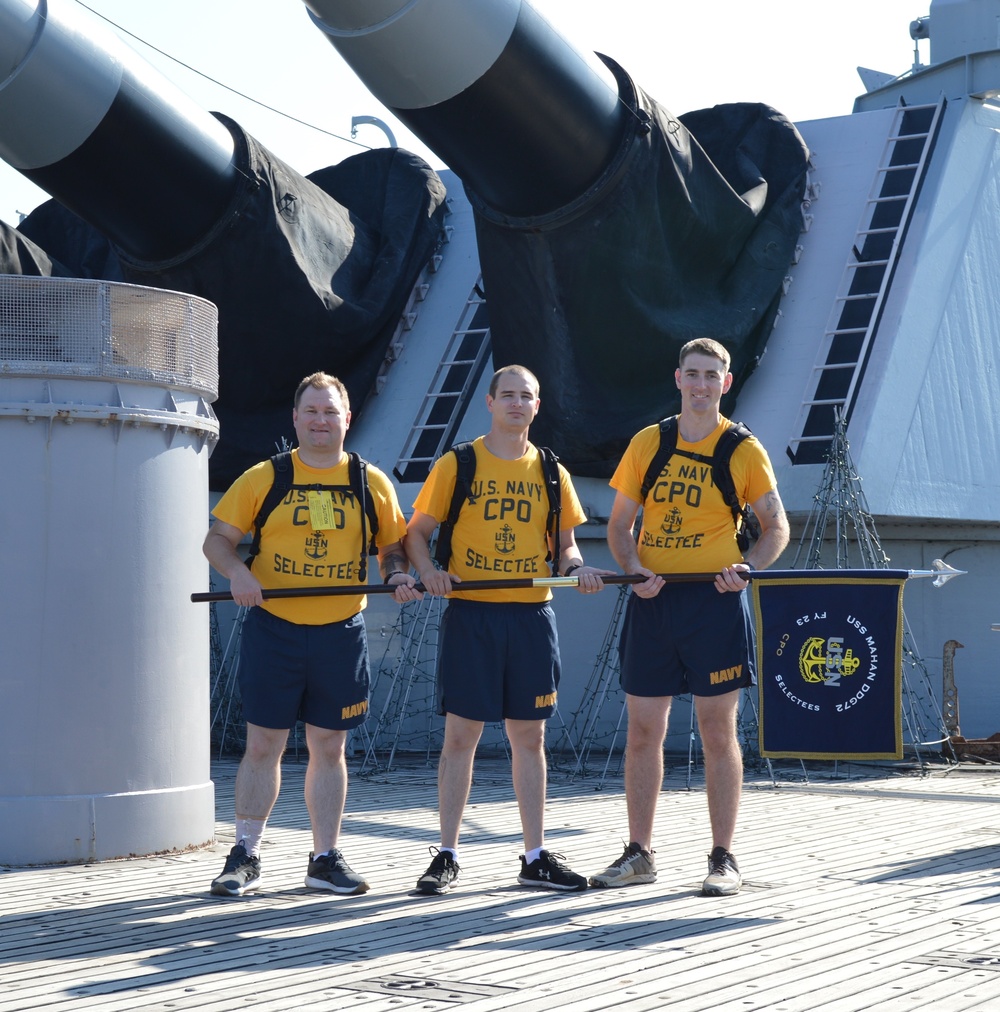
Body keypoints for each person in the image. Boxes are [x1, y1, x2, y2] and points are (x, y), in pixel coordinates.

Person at [399, 364, 613, 894]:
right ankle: (446, 854)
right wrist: (428, 572)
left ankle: (534, 856)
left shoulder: (550, 471)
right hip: (473, 614)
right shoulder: (460, 463)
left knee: (529, 735)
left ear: (537, 407)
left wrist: (575, 570)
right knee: (460, 736)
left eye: (527, 397)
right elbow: (417, 534)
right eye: (508, 395)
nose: (517, 404)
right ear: (490, 403)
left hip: (531, 616)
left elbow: (564, 547)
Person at [590, 338, 789, 896]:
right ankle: (639, 854)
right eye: (692, 374)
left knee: (716, 731)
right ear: (677, 378)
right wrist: (633, 569)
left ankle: (723, 858)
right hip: (653, 602)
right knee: (643, 731)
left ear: (726, 384)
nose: (701, 385)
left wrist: (746, 568)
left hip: (715, 604)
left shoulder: (743, 449)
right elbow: (619, 527)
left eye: (712, 376)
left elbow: (777, 528)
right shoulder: (649, 442)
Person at [204, 372, 415, 897]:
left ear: (348, 419)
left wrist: (396, 575)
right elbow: (217, 542)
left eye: (331, 412)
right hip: (274, 630)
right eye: (312, 412)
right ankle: (246, 855)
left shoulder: (370, 482)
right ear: (296, 419)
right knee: (263, 746)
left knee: (329, 747)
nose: (321, 421)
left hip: (340, 633)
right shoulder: (264, 477)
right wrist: (239, 573)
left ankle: (323, 859)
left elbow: (392, 548)